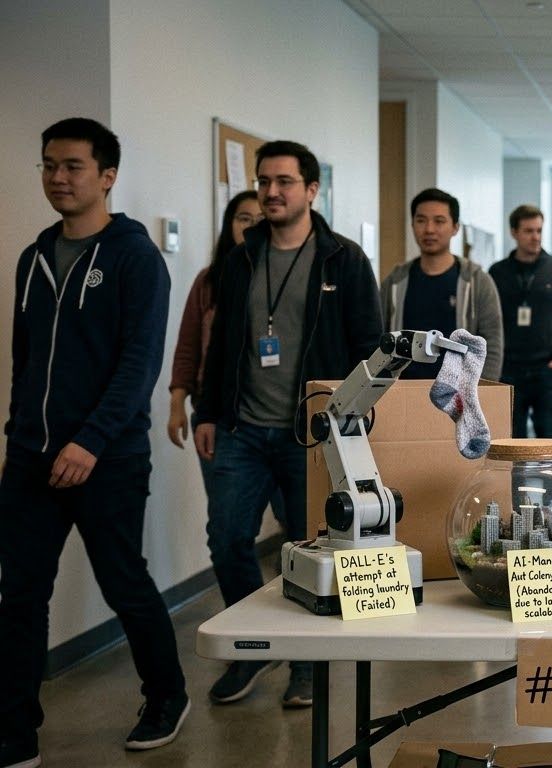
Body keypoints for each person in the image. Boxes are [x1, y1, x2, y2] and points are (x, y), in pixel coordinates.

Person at [0, 117, 187, 766]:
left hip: (108, 459)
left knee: (123, 583)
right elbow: (26, 363)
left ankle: (166, 695)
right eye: (49, 165)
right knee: (20, 595)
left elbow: (139, 363)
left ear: (107, 176)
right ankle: (14, 729)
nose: (58, 177)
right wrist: (16, 438)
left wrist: (91, 441)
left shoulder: (135, 259)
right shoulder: (32, 259)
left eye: (73, 166)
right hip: (31, 459)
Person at [194, 140, 381, 709]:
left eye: (284, 182)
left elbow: (368, 347)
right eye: (263, 182)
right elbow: (221, 345)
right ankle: (255, 649)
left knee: (310, 548)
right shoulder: (240, 259)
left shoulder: (343, 260)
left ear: (311, 190)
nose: (271, 192)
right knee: (228, 539)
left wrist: (356, 418)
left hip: (312, 434)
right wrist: (206, 412)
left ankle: (306, 665)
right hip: (242, 429)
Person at [167, 191, 287, 526]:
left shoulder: (285, 277)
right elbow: (188, 347)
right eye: (243, 218)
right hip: (220, 417)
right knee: (228, 526)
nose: (251, 226)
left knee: (294, 519)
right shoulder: (209, 280)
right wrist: (177, 404)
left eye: (260, 219)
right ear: (229, 224)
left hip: (281, 417)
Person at [381, 187, 503, 380]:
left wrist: (482, 390)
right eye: (421, 220)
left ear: (455, 227)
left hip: (458, 391)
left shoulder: (476, 281)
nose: (429, 229)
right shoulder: (395, 282)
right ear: (412, 225)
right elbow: (379, 339)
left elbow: (492, 345)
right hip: (403, 389)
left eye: (439, 221)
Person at [488, 204, 552, 438]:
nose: (535, 237)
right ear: (514, 232)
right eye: (528, 231)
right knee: (509, 442)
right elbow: (488, 322)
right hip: (508, 371)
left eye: (539, 230)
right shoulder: (497, 272)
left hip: (547, 371)